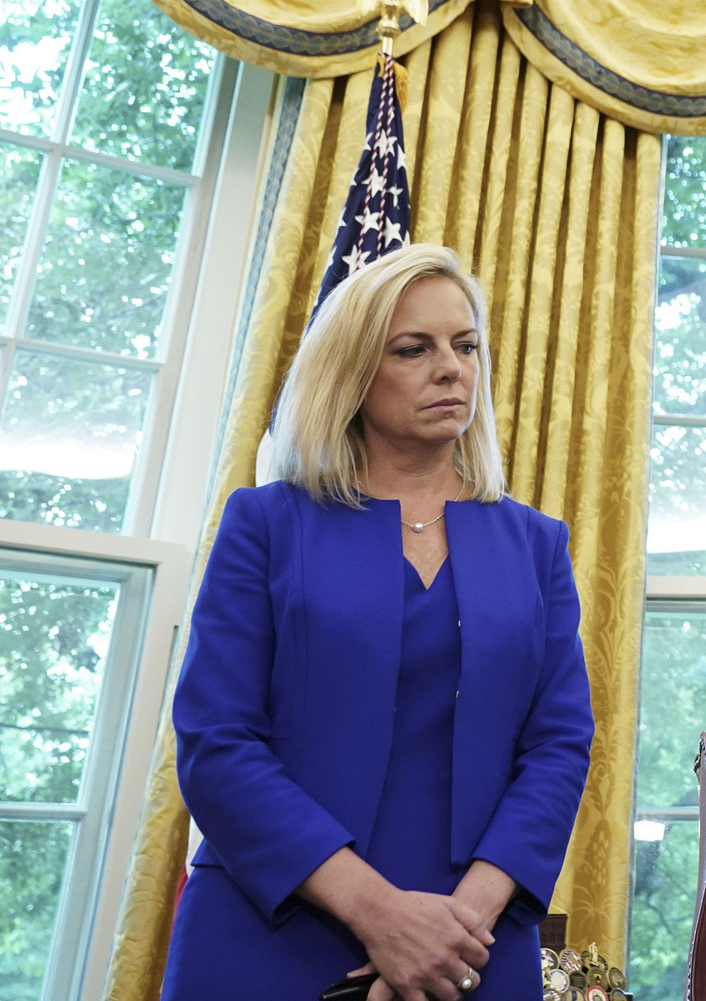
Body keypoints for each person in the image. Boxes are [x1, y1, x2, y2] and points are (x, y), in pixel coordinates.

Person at [162, 245, 595, 1001]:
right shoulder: (265, 523)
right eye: (413, 349)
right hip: (271, 928)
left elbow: (558, 746)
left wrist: (451, 929)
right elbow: (216, 741)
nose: (452, 368)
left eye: (465, 346)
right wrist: (382, 916)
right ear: (353, 370)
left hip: (474, 942)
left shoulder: (536, 544)